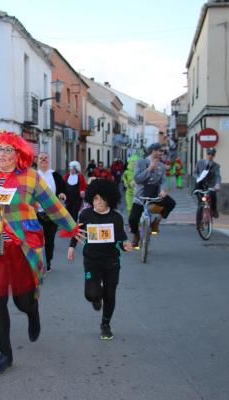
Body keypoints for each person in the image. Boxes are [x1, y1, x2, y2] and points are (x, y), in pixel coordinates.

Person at [0, 130, 76, 375]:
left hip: (22, 246)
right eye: (0, 149)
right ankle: (5, 354)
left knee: (22, 301)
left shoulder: (30, 177)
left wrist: (73, 228)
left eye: (9, 150)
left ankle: (32, 311)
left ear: (19, 154)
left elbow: (52, 206)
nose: (3, 154)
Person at [67, 179, 133, 340]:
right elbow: (78, 232)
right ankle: (96, 297)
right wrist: (71, 247)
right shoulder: (85, 214)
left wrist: (125, 245)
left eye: (103, 199)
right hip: (92, 260)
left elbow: (121, 239)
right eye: (96, 198)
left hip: (111, 262)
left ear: (109, 199)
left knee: (110, 295)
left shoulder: (116, 217)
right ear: (91, 199)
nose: (100, 202)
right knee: (91, 295)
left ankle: (105, 324)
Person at [128, 143, 176, 247]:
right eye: (160, 151)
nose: (161, 153)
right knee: (132, 220)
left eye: (162, 151)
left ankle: (156, 222)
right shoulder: (141, 162)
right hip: (141, 195)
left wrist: (163, 190)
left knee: (171, 203)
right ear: (153, 151)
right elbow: (137, 178)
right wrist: (149, 169)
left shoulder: (161, 166)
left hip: (155, 194)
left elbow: (163, 181)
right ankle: (136, 236)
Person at [36, 152, 67, 272]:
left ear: (49, 160)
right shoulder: (33, 176)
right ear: (37, 161)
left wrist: (62, 194)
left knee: (49, 239)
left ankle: (48, 260)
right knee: (37, 239)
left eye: (45, 158)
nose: (43, 160)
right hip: (36, 213)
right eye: (41, 158)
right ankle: (38, 262)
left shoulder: (56, 175)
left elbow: (62, 189)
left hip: (52, 213)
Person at [194, 148, 221, 221]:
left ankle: (214, 210)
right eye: (209, 154)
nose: (210, 156)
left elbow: (218, 176)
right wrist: (198, 178)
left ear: (214, 155)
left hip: (210, 185)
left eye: (212, 154)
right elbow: (195, 172)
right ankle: (199, 217)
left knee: (213, 195)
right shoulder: (200, 163)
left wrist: (217, 184)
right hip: (200, 184)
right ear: (206, 154)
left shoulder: (216, 166)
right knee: (200, 201)